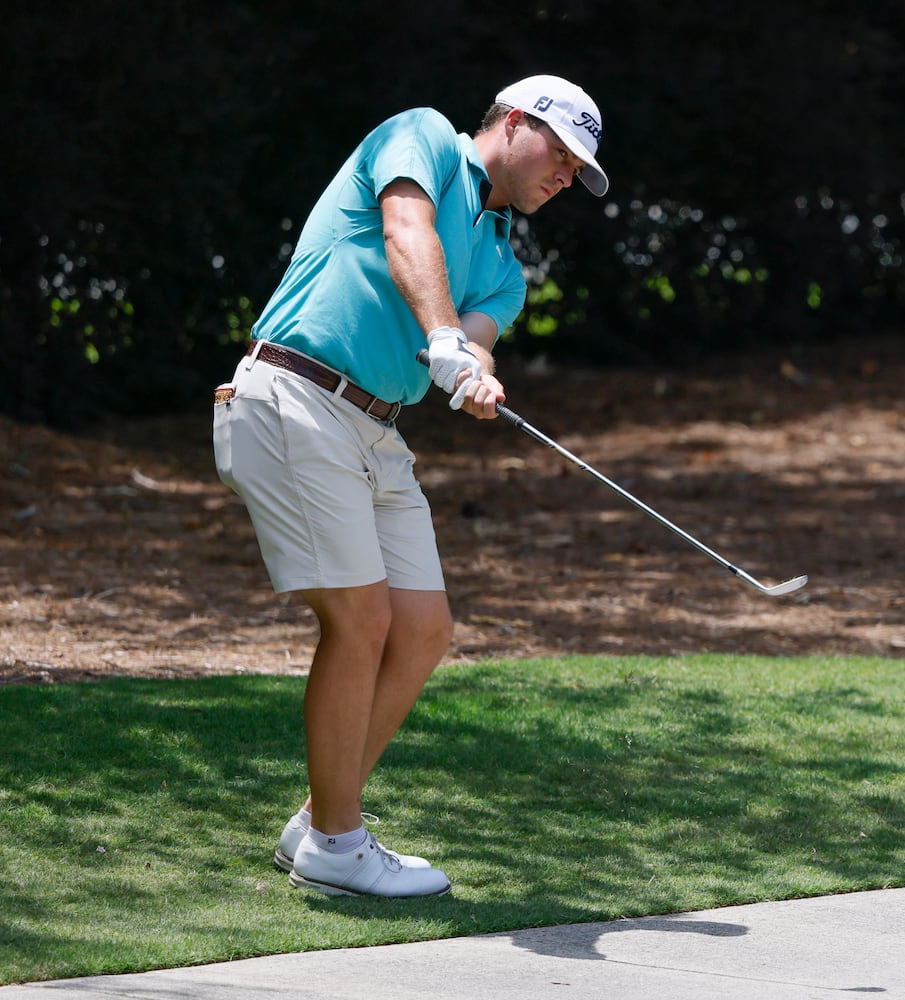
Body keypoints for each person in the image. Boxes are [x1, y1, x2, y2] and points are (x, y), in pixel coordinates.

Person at [212, 75, 609, 897]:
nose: (566, 175)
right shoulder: (420, 134)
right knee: (362, 619)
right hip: (295, 394)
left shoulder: (503, 263)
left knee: (422, 628)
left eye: (578, 170)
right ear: (511, 121)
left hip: (375, 429)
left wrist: (475, 376)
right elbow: (407, 229)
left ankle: (322, 815)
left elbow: (474, 339)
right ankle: (336, 844)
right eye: (561, 153)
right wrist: (440, 337)